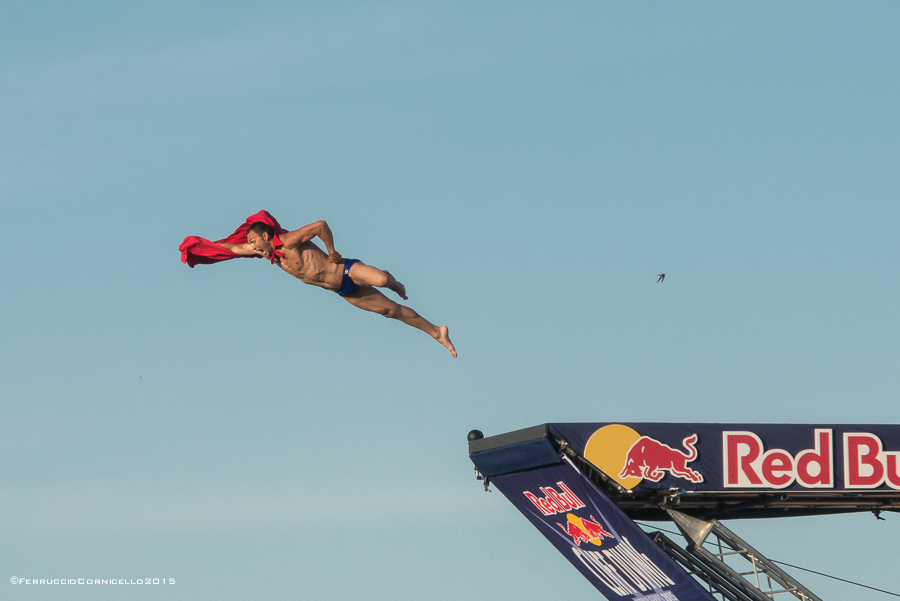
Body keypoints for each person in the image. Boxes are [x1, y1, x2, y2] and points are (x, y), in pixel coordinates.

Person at [181, 213, 456, 358]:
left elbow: (321, 225)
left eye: (254, 242)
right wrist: (199, 248)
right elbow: (231, 248)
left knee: (382, 281)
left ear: (266, 236)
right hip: (342, 290)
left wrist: (331, 250)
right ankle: (436, 332)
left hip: (345, 268)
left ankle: (393, 279)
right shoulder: (268, 254)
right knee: (391, 312)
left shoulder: (288, 240)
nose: (252, 247)